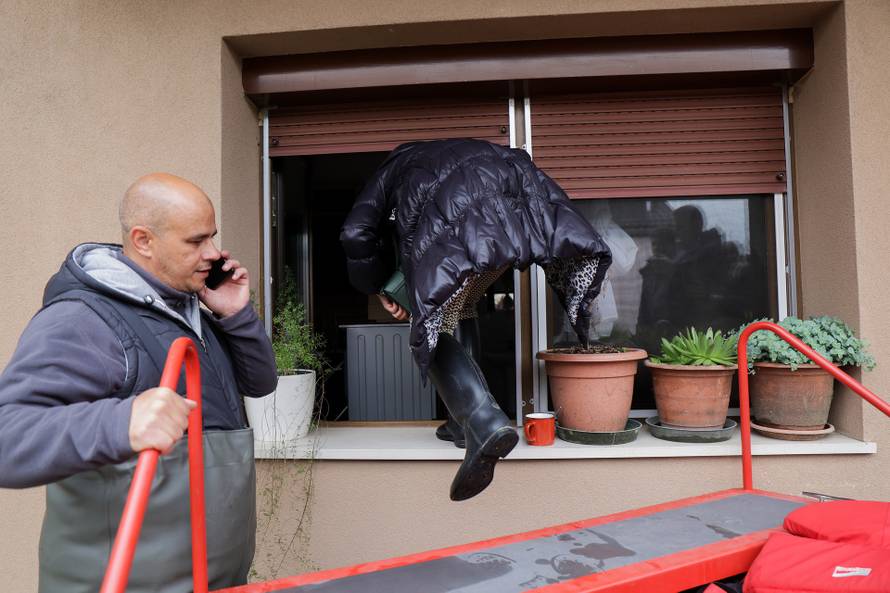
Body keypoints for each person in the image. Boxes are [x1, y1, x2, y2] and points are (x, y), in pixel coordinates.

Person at [0, 173, 277, 592]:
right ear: (144, 240)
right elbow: (8, 438)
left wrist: (236, 315)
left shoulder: (192, 303)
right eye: (195, 241)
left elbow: (259, 383)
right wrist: (121, 421)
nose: (214, 254)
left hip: (209, 579)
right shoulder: (83, 319)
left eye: (213, 238)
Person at [341, 139, 612, 501]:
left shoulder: (395, 167)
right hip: (515, 226)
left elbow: (355, 232)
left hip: (461, 231)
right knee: (455, 311)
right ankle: (459, 424)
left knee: (428, 324)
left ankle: (483, 421)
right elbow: (542, 191)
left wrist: (378, 286)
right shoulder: (488, 152)